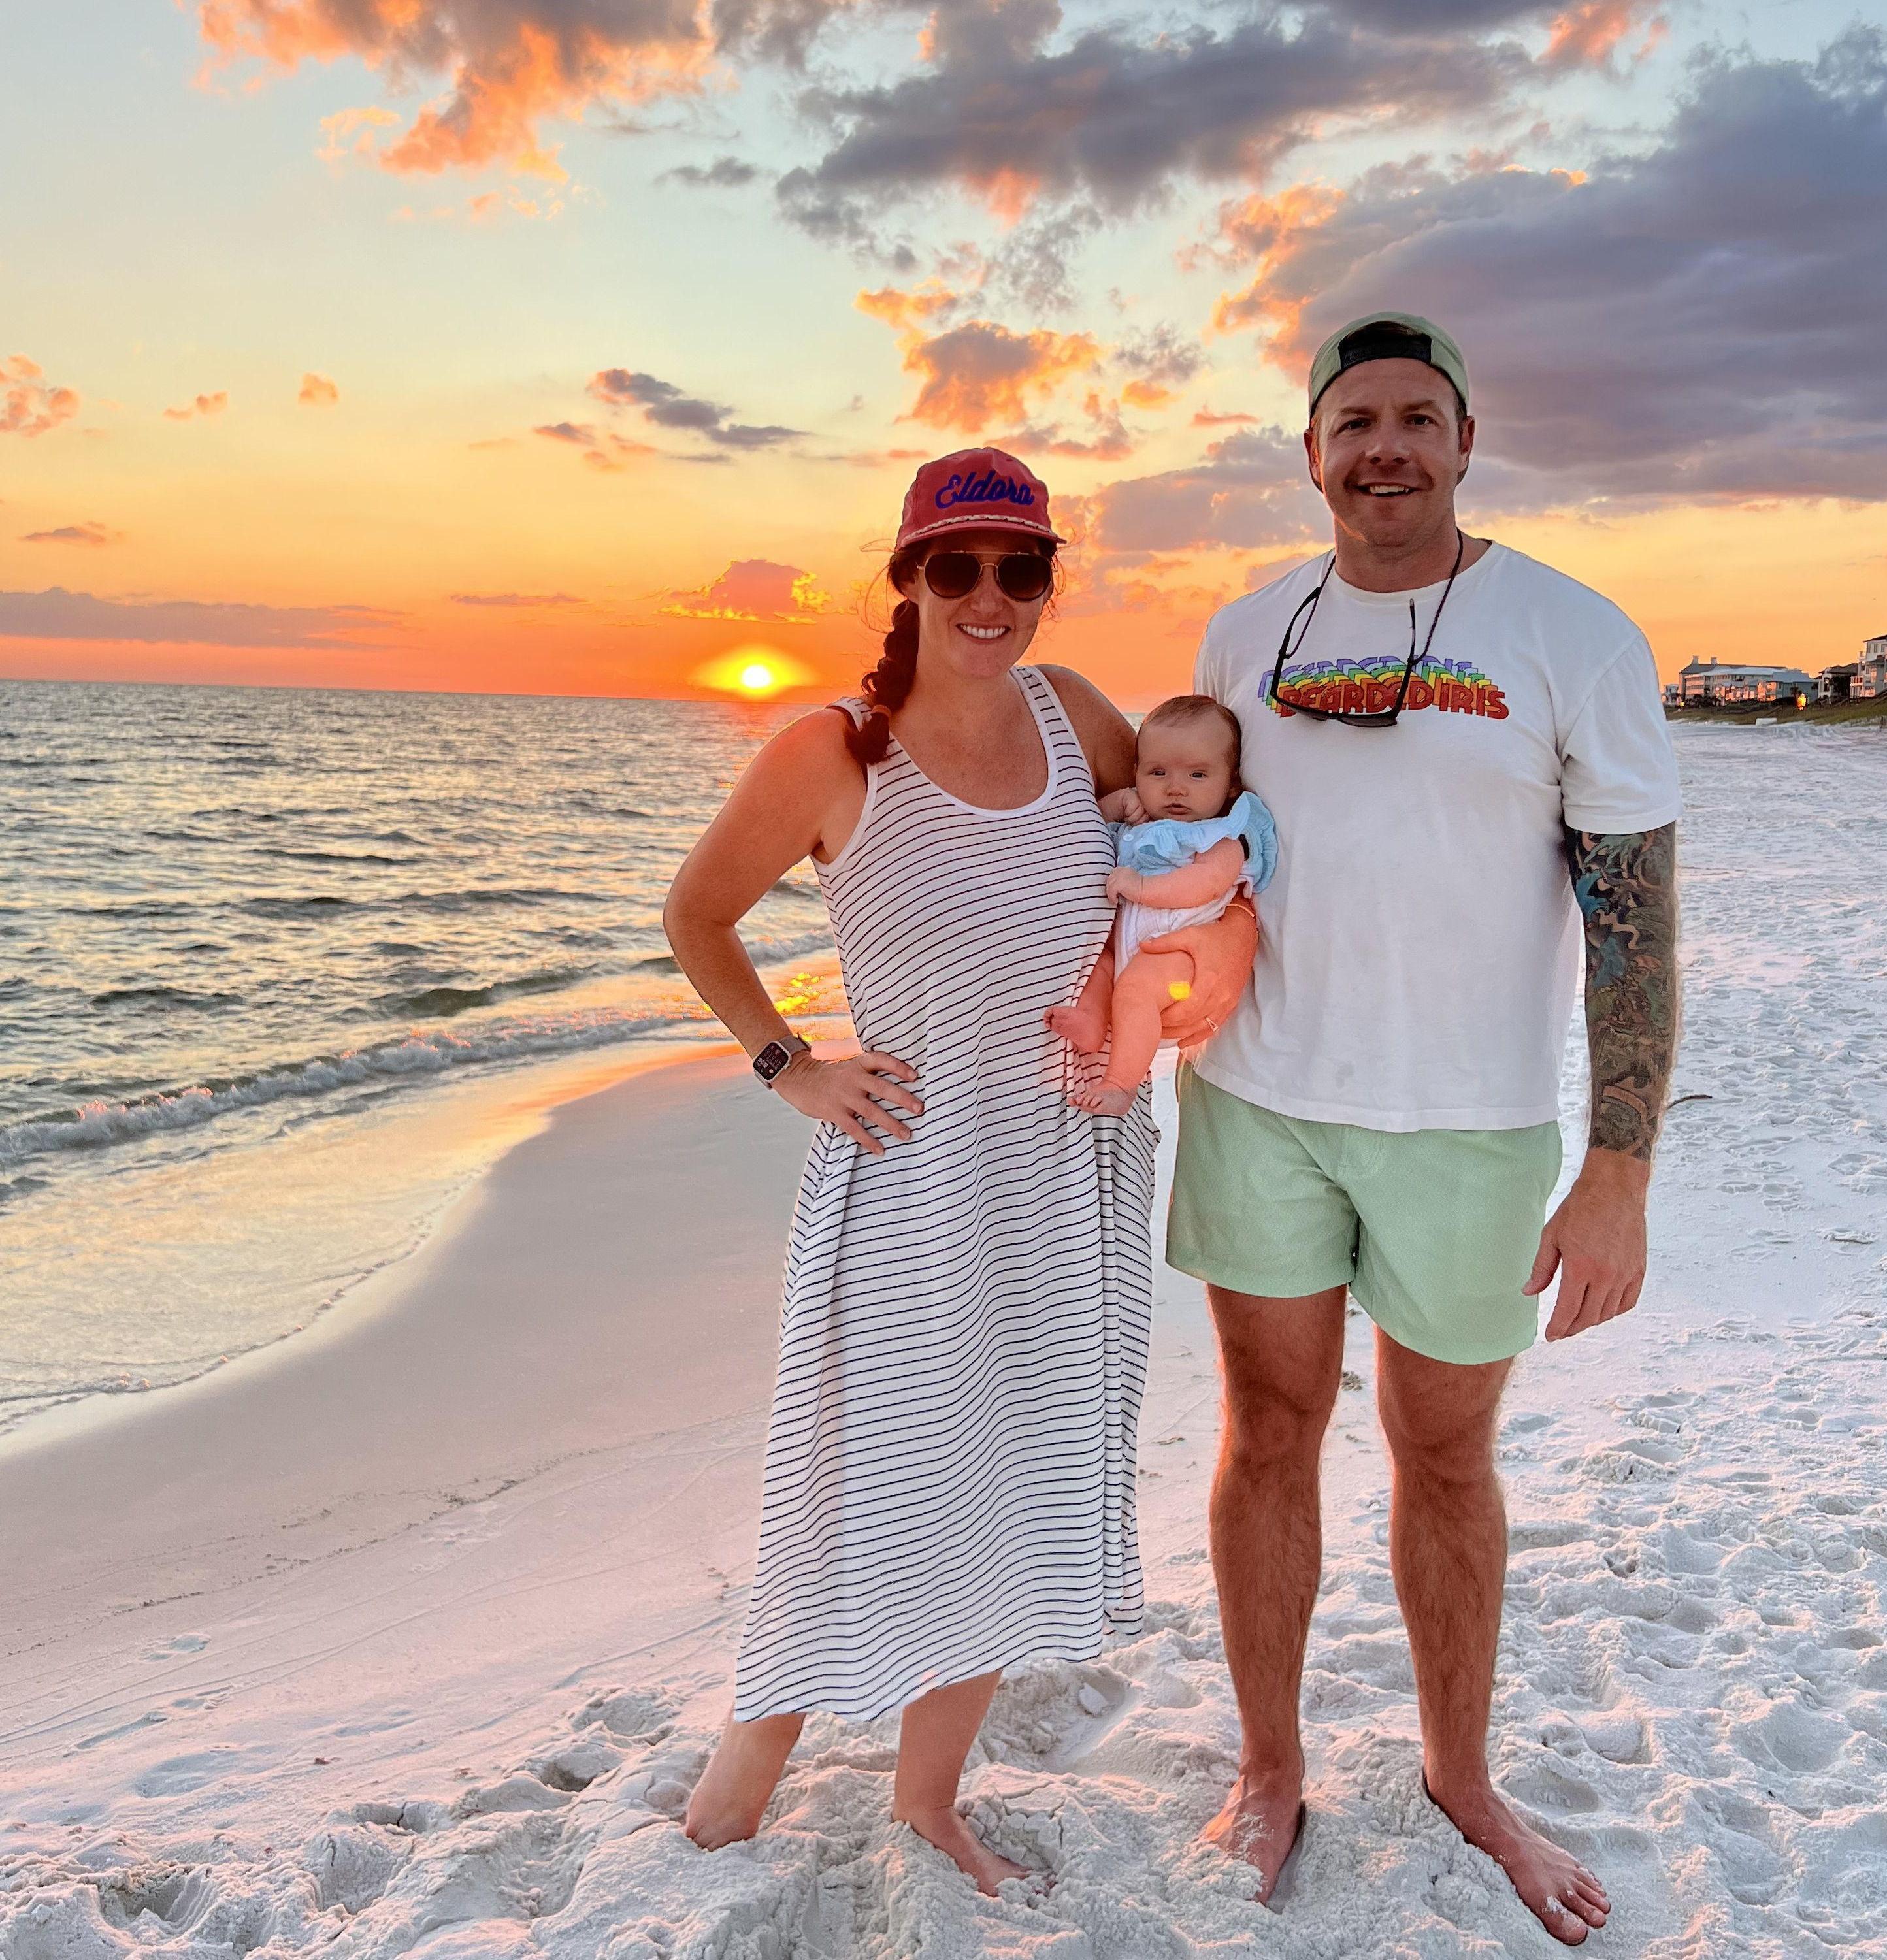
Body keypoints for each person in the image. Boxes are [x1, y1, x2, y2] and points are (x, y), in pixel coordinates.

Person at [661, 447, 1253, 1895]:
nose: (991, 596)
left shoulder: (1079, 718)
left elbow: (1201, 835)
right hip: (914, 1178)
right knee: (853, 1478)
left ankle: (928, 1800)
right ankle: (744, 1775)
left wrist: (1184, 984)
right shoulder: (834, 752)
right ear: (910, 578)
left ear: (1048, 583)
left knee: (1015, 1479)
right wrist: (790, 1065)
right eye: (958, 566)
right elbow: (697, 916)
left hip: (1069, 1171)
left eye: (1022, 568)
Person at [1166, 313, 1680, 1944]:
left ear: (1464, 442)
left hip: (1464, 1123)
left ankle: (1462, 1772)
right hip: (1257, 1096)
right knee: (1266, 1431)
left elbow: (1633, 917)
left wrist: (1618, 1169)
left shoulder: (1570, 633)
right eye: (1353, 422)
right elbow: (1176, 836)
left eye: (1414, 418)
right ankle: (1268, 1766)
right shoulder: (1247, 627)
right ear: (1311, 453)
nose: (1382, 447)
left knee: (1443, 1452)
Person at [1048, 696, 1276, 1115]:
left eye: (1197, 774)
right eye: (1158, 773)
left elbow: (1205, 884)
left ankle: (1120, 1082)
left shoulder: (1220, 836)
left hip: (1179, 953)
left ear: (1231, 783)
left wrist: (1141, 887)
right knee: (1097, 964)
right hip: (1132, 944)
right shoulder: (1136, 828)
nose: (1176, 787)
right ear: (1136, 773)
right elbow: (1083, 826)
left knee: (1137, 989)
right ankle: (1093, 1020)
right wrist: (1115, 803)